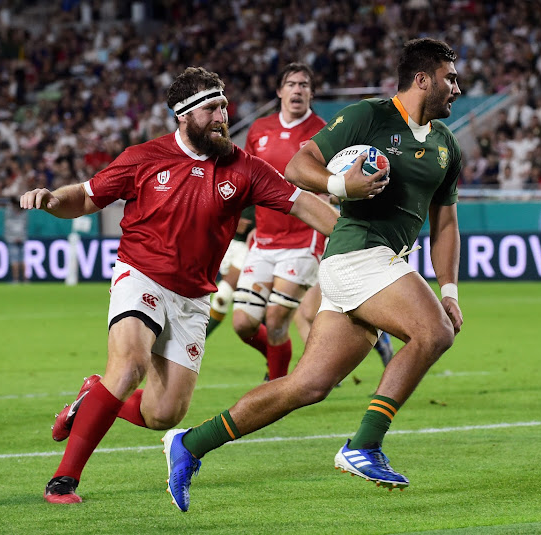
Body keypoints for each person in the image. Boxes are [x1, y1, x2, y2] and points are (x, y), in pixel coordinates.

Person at [20, 67, 380, 504]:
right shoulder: (145, 157)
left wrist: (364, 243)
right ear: (183, 115)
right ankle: (64, 480)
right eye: (211, 108)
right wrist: (52, 200)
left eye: (224, 106)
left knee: (163, 414)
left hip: (193, 297)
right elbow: (85, 196)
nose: (222, 116)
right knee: (129, 364)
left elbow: (304, 204)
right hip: (141, 274)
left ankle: (90, 399)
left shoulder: (244, 168)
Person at [163, 37, 464, 512]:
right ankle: (363, 446)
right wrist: (342, 184)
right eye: (450, 78)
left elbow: (445, 224)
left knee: (307, 386)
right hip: (358, 252)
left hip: (375, 265)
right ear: (423, 79)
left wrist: (449, 289)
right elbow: (299, 165)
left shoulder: (447, 146)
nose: (458, 89)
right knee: (433, 333)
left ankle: (190, 444)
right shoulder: (369, 116)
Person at [229, 62, 327, 381]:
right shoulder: (259, 129)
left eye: (304, 85)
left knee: (276, 318)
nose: (297, 90)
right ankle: (279, 363)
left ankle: (278, 384)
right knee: (243, 322)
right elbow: (245, 179)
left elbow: (335, 178)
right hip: (265, 238)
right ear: (279, 92)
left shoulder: (324, 131)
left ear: (311, 93)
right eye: (291, 84)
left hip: (304, 238)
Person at [205, 205, 255, 337]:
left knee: (223, 296)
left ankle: (193, 345)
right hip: (228, 242)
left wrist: (259, 228)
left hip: (251, 246)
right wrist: (232, 219)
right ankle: (274, 353)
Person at [3, 196, 28, 283]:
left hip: (12, 239)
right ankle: (24, 280)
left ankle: (16, 280)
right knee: (22, 260)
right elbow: (24, 226)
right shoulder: (23, 213)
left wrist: (15, 237)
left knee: (15, 260)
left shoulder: (9, 212)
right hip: (21, 238)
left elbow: (9, 226)